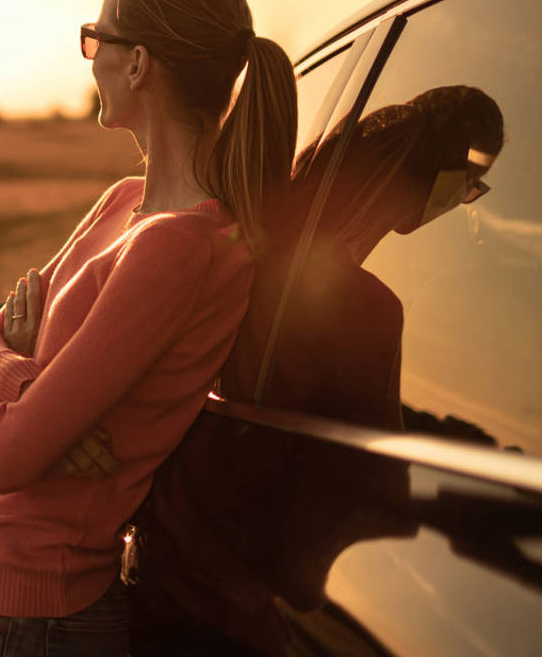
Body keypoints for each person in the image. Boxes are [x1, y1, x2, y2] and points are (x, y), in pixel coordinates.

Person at [0, 0, 298, 656]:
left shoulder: (181, 246)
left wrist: (20, 386)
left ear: (138, 64)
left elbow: (8, 459)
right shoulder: (123, 203)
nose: (88, 58)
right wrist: (24, 379)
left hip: (32, 616)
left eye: (96, 38)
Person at [124, 85, 504, 656]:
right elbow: (374, 485)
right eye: (474, 187)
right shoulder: (365, 308)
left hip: (162, 571)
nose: (469, 202)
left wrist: (460, 439)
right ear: (445, 185)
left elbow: (306, 401)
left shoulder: (240, 243)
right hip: (241, 617)